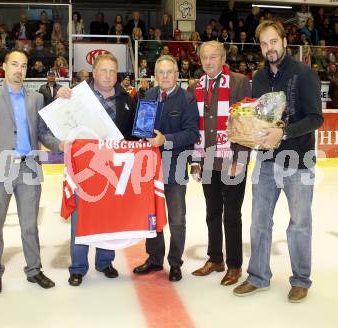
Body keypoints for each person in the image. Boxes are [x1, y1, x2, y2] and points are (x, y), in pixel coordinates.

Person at [232, 20, 323, 303]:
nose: (269, 48)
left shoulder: (305, 74)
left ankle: (300, 279)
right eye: (263, 43)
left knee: (299, 224)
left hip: (299, 161)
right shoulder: (258, 78)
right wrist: (241, 128)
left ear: (284, 41)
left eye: (273, 41)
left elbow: (315, 118)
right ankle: (258, 276)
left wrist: (283, 133)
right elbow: (259, 117)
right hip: (267, 162)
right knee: (259, 221)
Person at [0, 50, 64, 294]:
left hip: (29, 167)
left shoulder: (35, 98)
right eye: (14, 64)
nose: (18, 70)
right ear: (3, 66)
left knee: (29, 225)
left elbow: (42, 133)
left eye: (23, 66)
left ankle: (34, 270)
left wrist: (59, 144)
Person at [56, 54, 136, 286]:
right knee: (80, 218)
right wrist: (60, 97)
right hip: (84, 169)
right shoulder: (76, 95)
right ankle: (78, 267)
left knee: (108, 216)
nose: (108, 76)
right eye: (103, 70)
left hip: (113, 169)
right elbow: (57, 121)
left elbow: (132, 135)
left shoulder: (127, 99)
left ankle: (105, 262)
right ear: (93, 71)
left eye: (112, 71)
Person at [189, 41, 251, 286]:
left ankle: (234, 265)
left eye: (213, 56)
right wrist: (194, 161)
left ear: (223, 57)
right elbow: (195, 127)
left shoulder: (239, 82)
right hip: (206, 161)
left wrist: (240, 158)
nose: (208, 61)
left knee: (232, 215)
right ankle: (216, 259)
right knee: (212, 213)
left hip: (232, 160)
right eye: (204, 57)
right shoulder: (196, 86)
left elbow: (246, 124)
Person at [132, 55, 200, 282]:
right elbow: (141, 128)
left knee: (177, 219)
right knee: (152, 217)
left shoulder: (187, 100)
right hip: (150, 169)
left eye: (169, 72)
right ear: (154, 75)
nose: (165, 76)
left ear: (177, 75)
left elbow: (192, 134)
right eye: (160, 72)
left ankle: (175, 262)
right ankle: (154, 259)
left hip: (175, 168)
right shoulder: (149, 95)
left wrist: (166, 140)